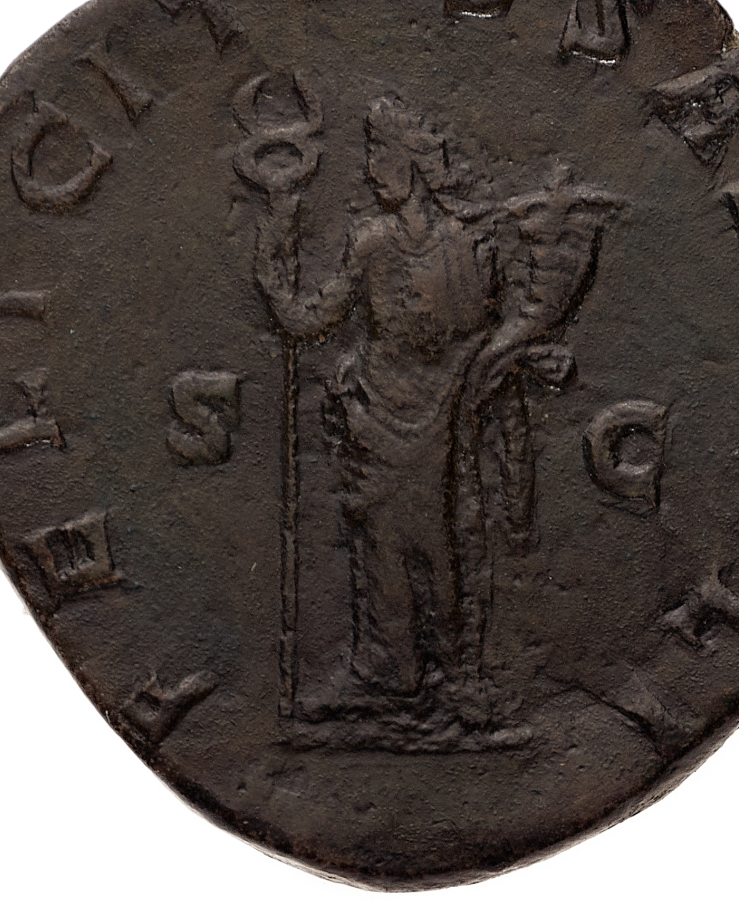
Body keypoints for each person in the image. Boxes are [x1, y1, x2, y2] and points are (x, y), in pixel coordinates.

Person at [254, 94, 613, 731]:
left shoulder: (472, 247)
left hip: (446, 417)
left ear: (411, 162)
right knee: (381, 538)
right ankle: (388, 670)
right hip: (376, 415)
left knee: (446, 538)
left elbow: (486, 338)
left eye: (377, 153)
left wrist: (517, 361)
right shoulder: (372, 243)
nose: (370, 170)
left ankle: (456, 675)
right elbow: (305, 319)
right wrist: (280, 223)